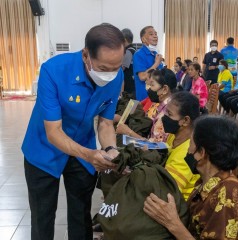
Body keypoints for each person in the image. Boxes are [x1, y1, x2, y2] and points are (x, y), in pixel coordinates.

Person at [22, 23, 125, 240]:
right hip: (44, 149)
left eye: (116, 68)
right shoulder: (53, 70)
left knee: (81, 213)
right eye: (104, 68)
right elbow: (53, 131)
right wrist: (88, 154)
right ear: (86, 54)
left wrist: (111, 149)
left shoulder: (116, 78)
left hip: (83, 146)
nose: (110, 74)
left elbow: (105, 124)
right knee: (43, 216)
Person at [144, 116, 238, 239]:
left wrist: (173, 224)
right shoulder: (205, 183)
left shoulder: (228, 194)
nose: (188, 150)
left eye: (190, 143)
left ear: (201, 153)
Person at [116, 68, 177, 143]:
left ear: (164, 89)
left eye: (152, 85)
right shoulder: (164, 105)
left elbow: (157, 147)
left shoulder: (165, 114)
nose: (149, 88)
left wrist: (128, 132)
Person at [163, 92, 201, 200]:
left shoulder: (188, 152)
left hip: (178, 203)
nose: (164, 117)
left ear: (185, 120)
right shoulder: (174, 136)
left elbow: (167, 192)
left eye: (169, 114)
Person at [133, 26, 163, 101]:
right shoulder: (139, 54)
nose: (155, 36)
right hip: (145, 97)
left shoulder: (156, 54)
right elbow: (142, 77)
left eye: (156, 34)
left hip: (158, 96)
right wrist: (156, 63)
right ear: (143, 39)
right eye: (151, 34)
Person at [121, 28, 136, 98]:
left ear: (124, 39)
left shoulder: (128, 52)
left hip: (128, 85)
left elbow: (121, 68)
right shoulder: (134, 50)